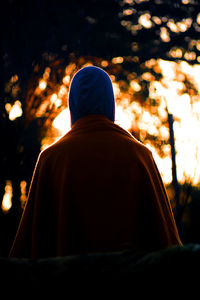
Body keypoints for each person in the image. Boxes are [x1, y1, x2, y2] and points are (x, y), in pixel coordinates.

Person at [9, 66, 182, 258]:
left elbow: (27, 253)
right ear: (110, 103)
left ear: (72, 105)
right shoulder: (140, 156)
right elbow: (167, 245)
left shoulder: (52, 159)